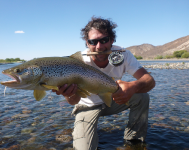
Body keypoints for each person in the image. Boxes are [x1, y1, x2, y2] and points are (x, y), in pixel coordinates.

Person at [52, 16, 155, 150]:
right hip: (87, 106)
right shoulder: (77, 63)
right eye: (93, 42)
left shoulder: (124, 54)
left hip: (112, 100)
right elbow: (73, 101)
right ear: (87, 43)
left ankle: (134, 142)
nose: (99, 47)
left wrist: (133, 86)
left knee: (142, 96)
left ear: (112, 40)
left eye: (104, 40)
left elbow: (150, 81)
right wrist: (68, 94)